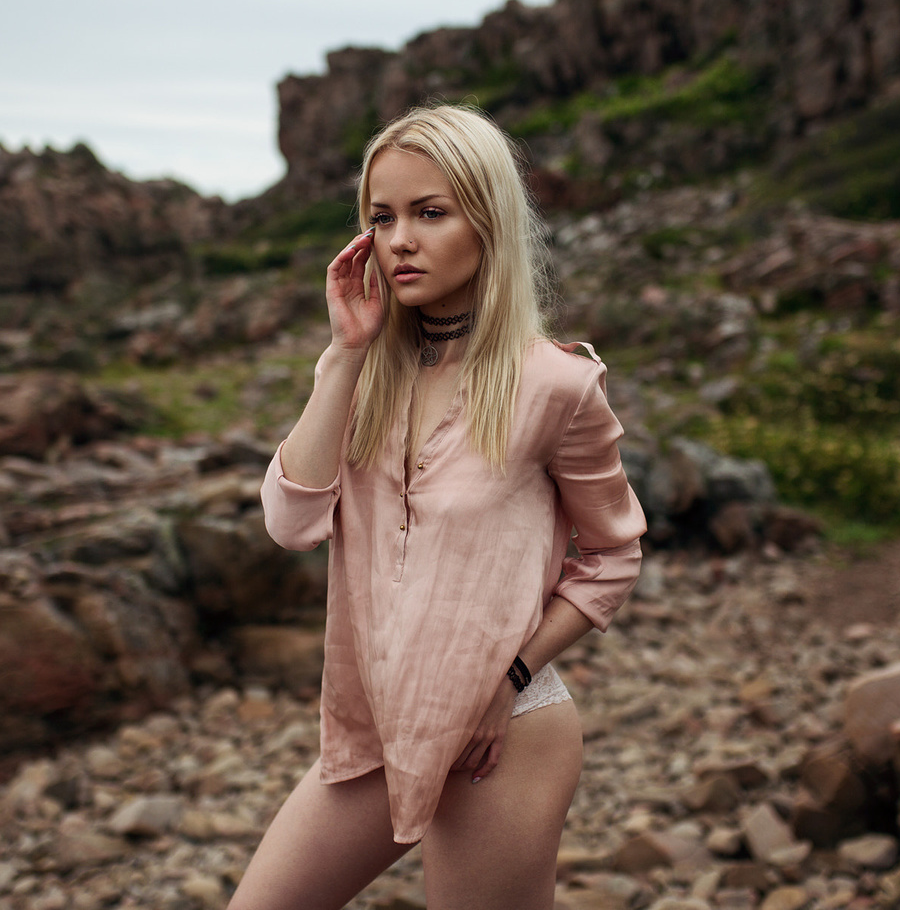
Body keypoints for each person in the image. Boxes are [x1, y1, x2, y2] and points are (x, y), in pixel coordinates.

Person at [230, 105, 646, 910]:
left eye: (430, 212)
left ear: (486, 221)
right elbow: (291, 524)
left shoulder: (556, 385)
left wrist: (509, 679)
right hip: (378, 731)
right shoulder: (364, 377)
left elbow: (612, 557)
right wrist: (343, 356)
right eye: (381, 218)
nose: (399, 241)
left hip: (506, 736)